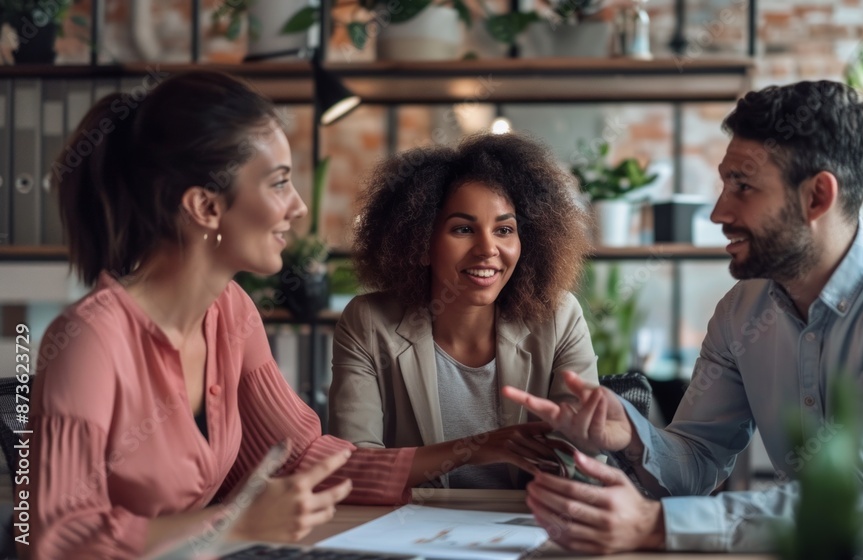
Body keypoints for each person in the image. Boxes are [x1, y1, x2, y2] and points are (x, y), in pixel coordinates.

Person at [22, 71, 550, 560]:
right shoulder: (89, 340)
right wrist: (235, 522)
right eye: (277, 182)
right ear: (207, 208)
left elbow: (303, 458)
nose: (297, 206)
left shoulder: (230, 313)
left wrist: (475, 448)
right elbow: (56, 539)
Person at [502, 80, 863, 553]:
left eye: (742, 187)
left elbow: (856, 497)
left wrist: (654, 525)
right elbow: (697, 457)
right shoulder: (742, 311)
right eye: (725, 184)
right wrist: (634, 437)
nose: (719, 211)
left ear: (816, 197)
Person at [327, 132, 598, 489]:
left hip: (523, 526)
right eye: (463, 229)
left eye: (504, 229)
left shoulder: (559, 317)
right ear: (421, 243)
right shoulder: (369, 322)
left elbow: (585, 462)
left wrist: (575, 452)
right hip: (411, 531)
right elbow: (351, 469)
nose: (488, 248)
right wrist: (478, 448)